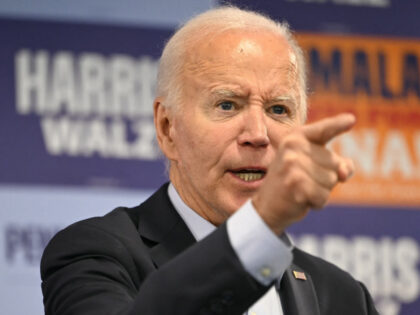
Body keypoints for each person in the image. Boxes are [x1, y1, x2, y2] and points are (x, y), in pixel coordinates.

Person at [41, 6, 379, 315]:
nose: (258, 134)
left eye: (279, 109)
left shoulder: (345, 296)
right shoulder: (95, 254)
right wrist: (260, 229)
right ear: (167, 128)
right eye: (227, 105)